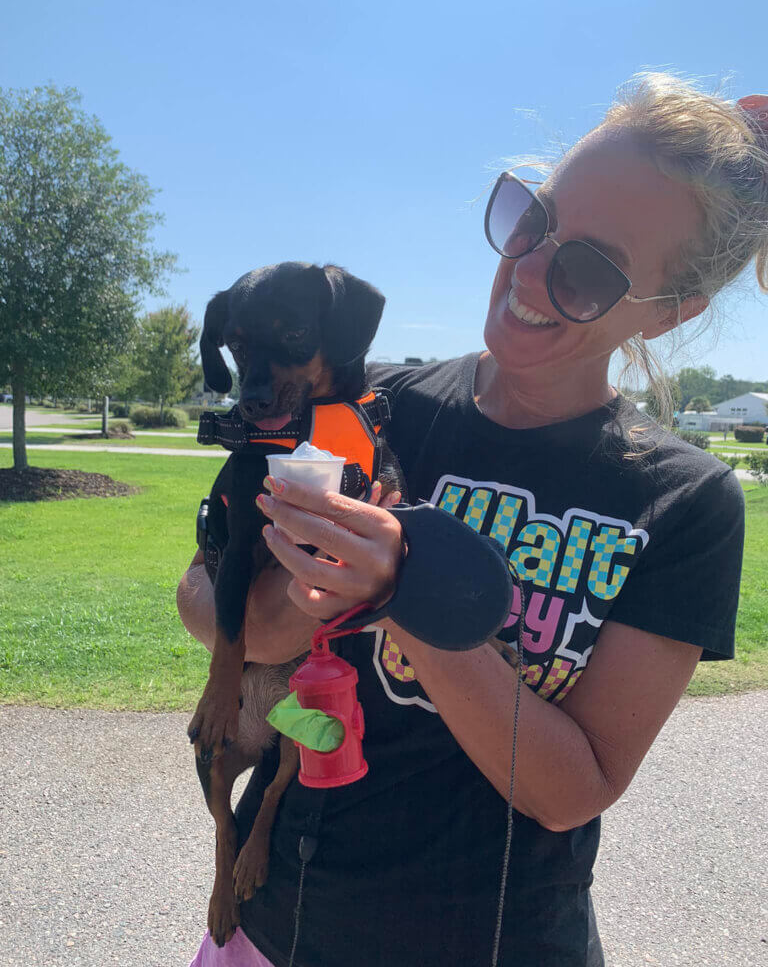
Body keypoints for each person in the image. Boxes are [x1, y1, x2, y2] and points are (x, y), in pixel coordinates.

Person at [178, 74, 768, 967]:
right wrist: (316, 591)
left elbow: (573, 791)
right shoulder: (379, 409)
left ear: (673, 310)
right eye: (534, 220)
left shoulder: (684, 503)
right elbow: (200, 599)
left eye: (586, 269)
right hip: (278, 922)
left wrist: (407, 593)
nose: (527, 270)